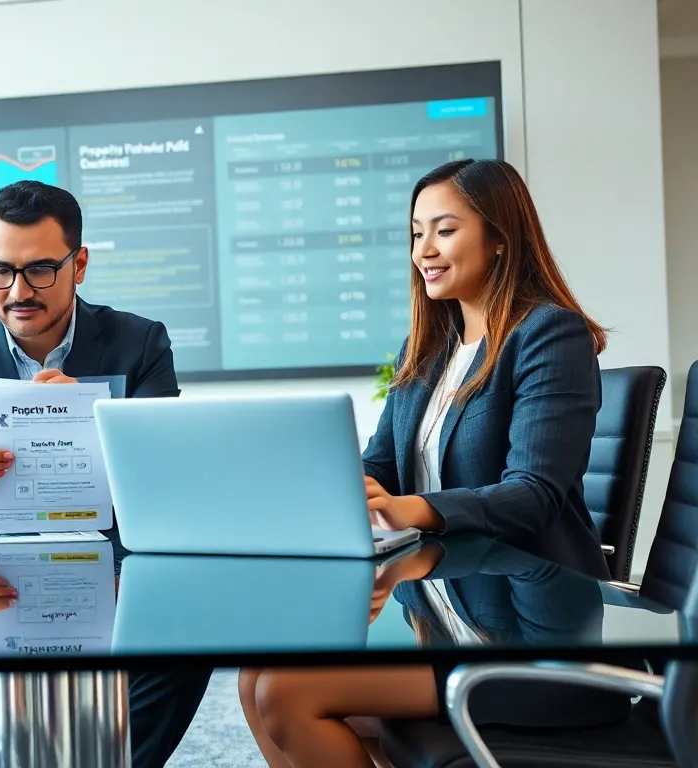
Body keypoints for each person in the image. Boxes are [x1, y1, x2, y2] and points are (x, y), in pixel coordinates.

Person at [239, 158, 612, 768]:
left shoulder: (549, 334)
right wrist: (338, 488)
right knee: (257, 677)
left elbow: (534, 493)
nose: (425, 249)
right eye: (416, 233)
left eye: (444, 229)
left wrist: (409, 508)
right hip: (446, 602)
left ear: (499, 238)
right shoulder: (428, 345)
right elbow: (381, 461)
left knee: (288, 691)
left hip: (534, 643)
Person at [0, 180, 211, 768]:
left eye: (40, 271)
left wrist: (82, 417)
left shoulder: (139, 343)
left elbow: (166, 477)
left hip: (104, 562)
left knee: (190, 626)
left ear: (79, 264)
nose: (18, 291)